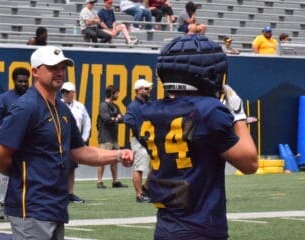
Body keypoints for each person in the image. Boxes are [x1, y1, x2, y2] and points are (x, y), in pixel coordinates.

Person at [0, 46, 134, 240]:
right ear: (35, 72)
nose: (59, 72)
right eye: (52, 67)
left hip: (55, 205)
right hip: (31, 207)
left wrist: (117, 155)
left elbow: (79, 151)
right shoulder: (27, 107)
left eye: (62, 67)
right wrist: (21, 174)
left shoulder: (62, 110)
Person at [130, 34, 258, 239]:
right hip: (201, 226)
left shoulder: (147, 112)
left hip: (165, 227)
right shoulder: (208, 111)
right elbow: (249, 163)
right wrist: (238, 115)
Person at [0, 67, 30, 220]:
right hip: (8, 142)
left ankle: (26, 205)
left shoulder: (33, 97)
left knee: (29, 175)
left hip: (28, 143)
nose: (23, 84)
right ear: (14, 81)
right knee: (5, 176)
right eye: (20, 81)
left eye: (25, 81)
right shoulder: (5, 98)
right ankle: (3, 206)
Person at [60, 82, 92, 203]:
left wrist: (83, 138)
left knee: (71, 168)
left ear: (73, 93)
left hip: (73, 142)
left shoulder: (80, 106)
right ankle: (59, 193)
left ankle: (70, 193)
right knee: (58, 168)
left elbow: (87, 122)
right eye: (63, 91)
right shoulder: (56, 104)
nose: (65, 94)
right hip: (58, 141)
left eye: (68, 92)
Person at [124, 79, 153, 203]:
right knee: (139, 167)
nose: (149, 90)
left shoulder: (148, 104)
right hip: (139, 141)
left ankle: (145, 188)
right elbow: (128, 120)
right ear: (138, 91)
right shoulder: (133, 106)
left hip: (150, 140)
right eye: (146, 88)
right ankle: (139, 194)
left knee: (157, 166)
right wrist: (140, 131)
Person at [96, 85, 128, 189]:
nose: (118, 95)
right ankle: (99, 181)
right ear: (111, 94)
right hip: (105, 138)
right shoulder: (103, 105)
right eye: (117, 93)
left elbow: (122, 119)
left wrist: (115, 118)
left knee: (115, 160)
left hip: (114, 138)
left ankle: (115, 181)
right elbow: (107, 120)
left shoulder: (116, 106)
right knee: (102, 160)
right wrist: (116, 118)